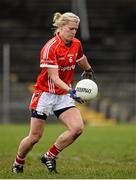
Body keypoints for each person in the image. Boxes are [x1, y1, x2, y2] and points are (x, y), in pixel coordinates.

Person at [12, 12, 94, 174]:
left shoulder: (76, 43)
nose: (73, 32)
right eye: (71, 29)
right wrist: (71, 90)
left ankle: (49, 156)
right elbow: (54, 78)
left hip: (62, 96)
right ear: (61, 27)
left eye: (75, 29)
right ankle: (18, 162)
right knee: (35, 137)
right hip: (45, 95)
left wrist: (88, 69)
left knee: (77, 128)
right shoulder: (50, 48)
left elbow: (80, 57)